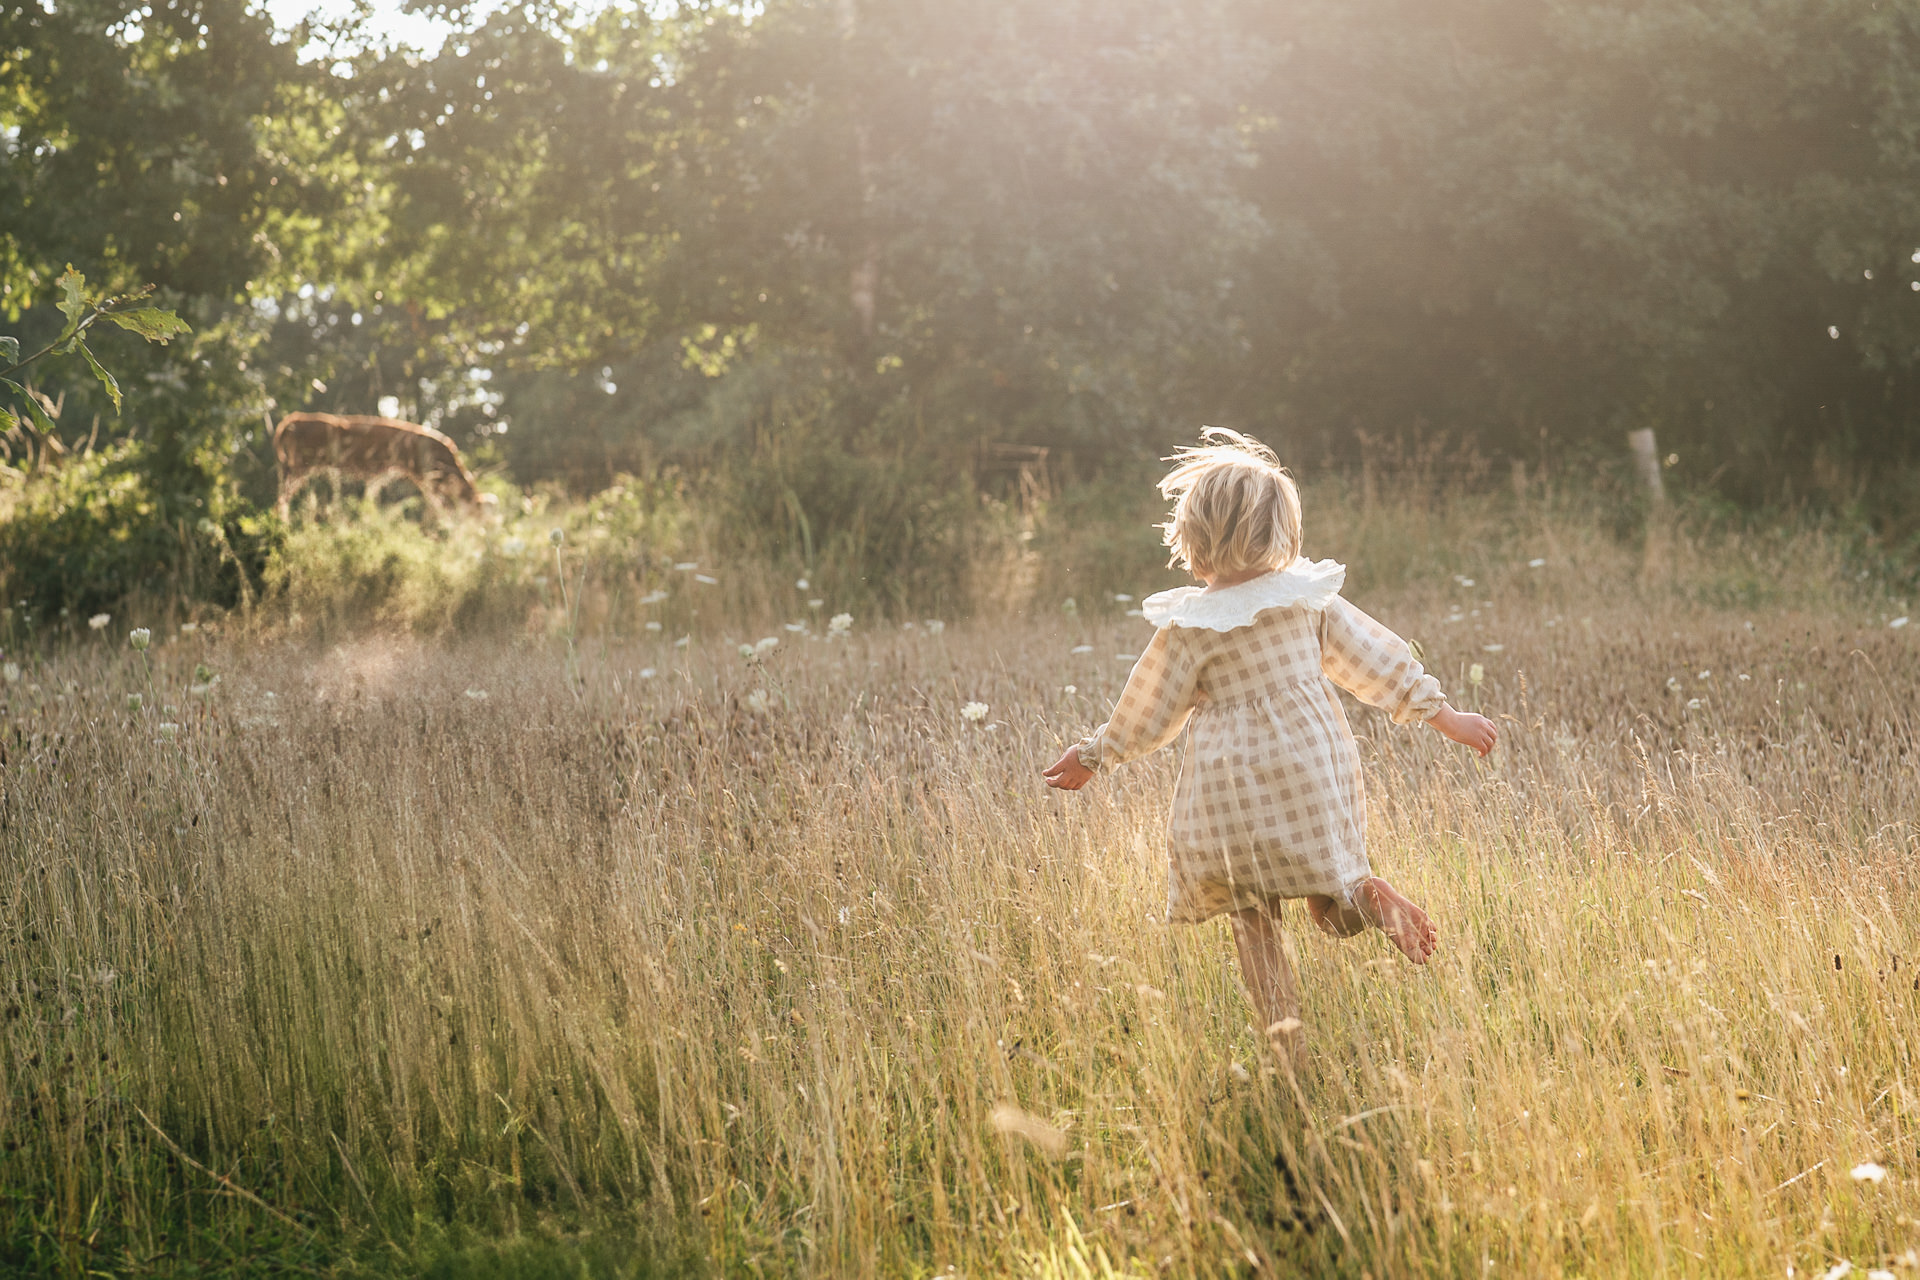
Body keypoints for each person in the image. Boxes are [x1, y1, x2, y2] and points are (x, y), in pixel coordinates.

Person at [1042, 428, 1496, 1056]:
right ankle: (1362, 896)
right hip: (1311, 767)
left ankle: (1288, 1049)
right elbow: (1376, 660)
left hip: (1230, 790)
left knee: (1254, 922)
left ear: (1195, 537)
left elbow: (1149, 708)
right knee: (1331, 884)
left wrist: (1095, 754)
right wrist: (1446, 716)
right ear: (1282, 531)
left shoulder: (1191, 625)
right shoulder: (1305, 600)